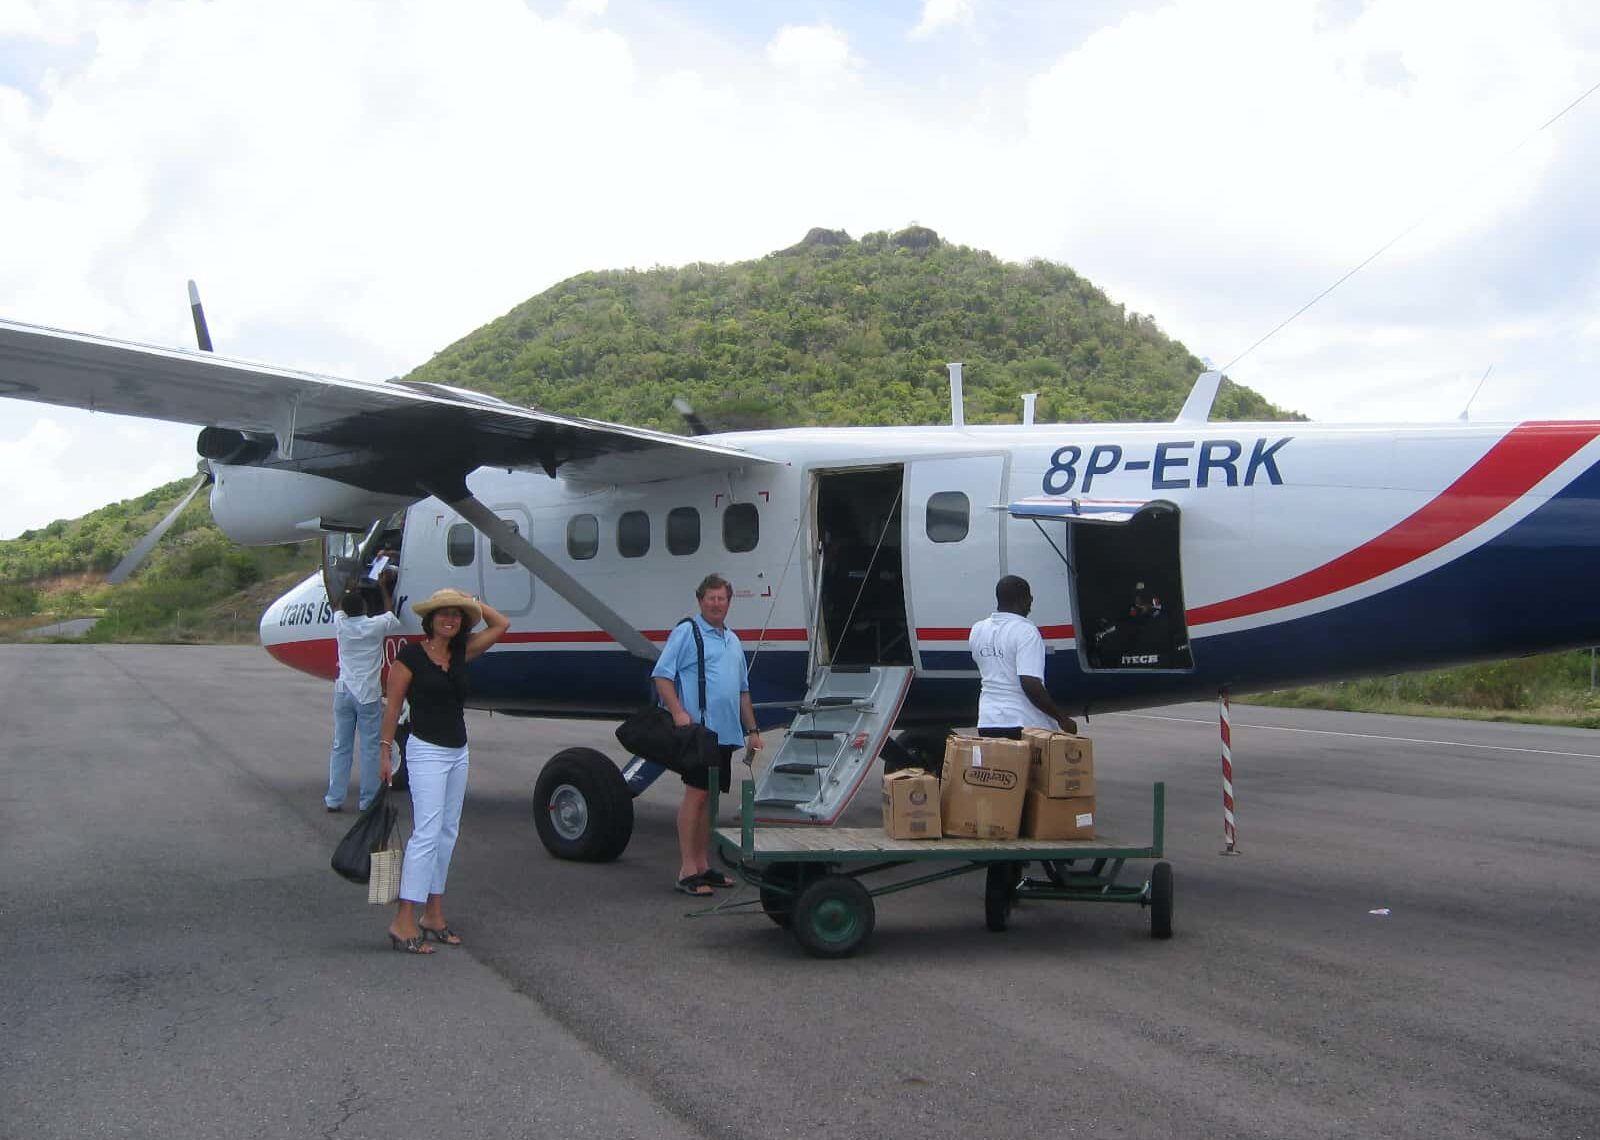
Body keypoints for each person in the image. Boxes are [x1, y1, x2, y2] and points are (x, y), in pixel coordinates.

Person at [377, 587, 509, 954]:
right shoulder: (410, 658)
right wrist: (385, 751)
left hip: (457, 751)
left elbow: (502, 624)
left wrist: (474, 602)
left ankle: (433, 915)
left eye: (457, 614)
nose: (450, 619)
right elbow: (392, 708)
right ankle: (403, 920)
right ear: (430, 620)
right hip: (426, 751)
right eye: (443, 614)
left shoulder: (461, 653)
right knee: (426, 833)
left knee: (447, 833)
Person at [652, 573, 762, 897]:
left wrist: (752, 729)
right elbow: (662, 675)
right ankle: (687, 870)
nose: (716, 603)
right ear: (700, 600)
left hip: (725, 735)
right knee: (696, 795)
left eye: (722, 598)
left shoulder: (733, 640)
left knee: (710, 799)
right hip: (699, 733)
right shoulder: (688, 632)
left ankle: (703, 866)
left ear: (729, 602)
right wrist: (677, 712)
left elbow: (743, 691)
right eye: (711, 598)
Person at [324, 566, 401, 812]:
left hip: (343, 691)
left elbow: (339, 606)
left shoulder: (340, 624)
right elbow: (392, 614)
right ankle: (367, 801)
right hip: (367, 695)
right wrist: (382, 587)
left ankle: (334, 799)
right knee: (370, 750)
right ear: (366, 608)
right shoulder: (376, 625)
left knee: (340, 747)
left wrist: (349, 586)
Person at [968, 575, 1076, 738]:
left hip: (988, 721)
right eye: (1030, 599)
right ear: (1023, 600)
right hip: (1023, 722)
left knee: (997, 765)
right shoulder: (1026, 631)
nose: (1031, 605)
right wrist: (1062, 718)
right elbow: (1030, 683)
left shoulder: (978, 630)